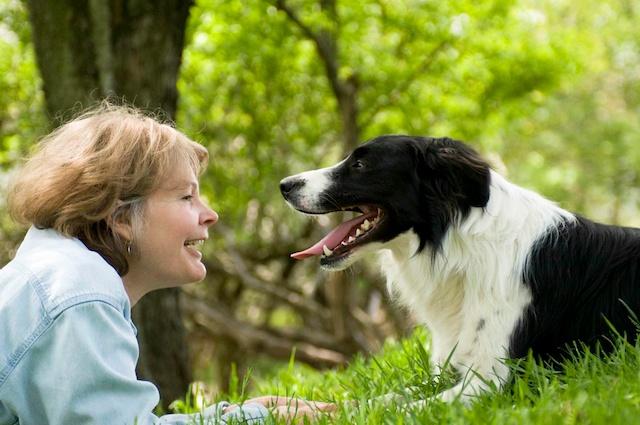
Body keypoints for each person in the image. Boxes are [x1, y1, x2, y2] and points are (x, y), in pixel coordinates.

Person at [0, 104, 334, 424]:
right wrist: (260, 418)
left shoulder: (57, 274)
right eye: (187, 197)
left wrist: (247, 412)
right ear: (121, 217)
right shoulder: (79, 295)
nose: (210, 215)